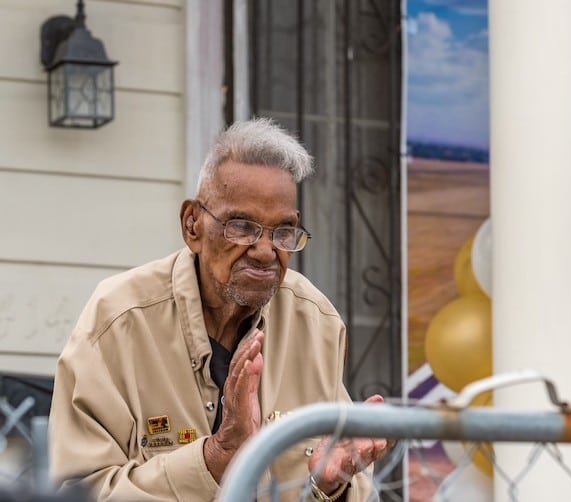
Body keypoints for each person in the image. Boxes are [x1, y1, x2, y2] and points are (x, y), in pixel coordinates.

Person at [49, 118, 390, 501]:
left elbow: (348, 485)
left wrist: (328, 487)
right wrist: (216, 458)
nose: (265, 251)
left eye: (283, 231)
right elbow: (74, 491)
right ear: (192, 225)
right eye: (241, 227)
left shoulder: (316, 323)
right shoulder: (118, 320)